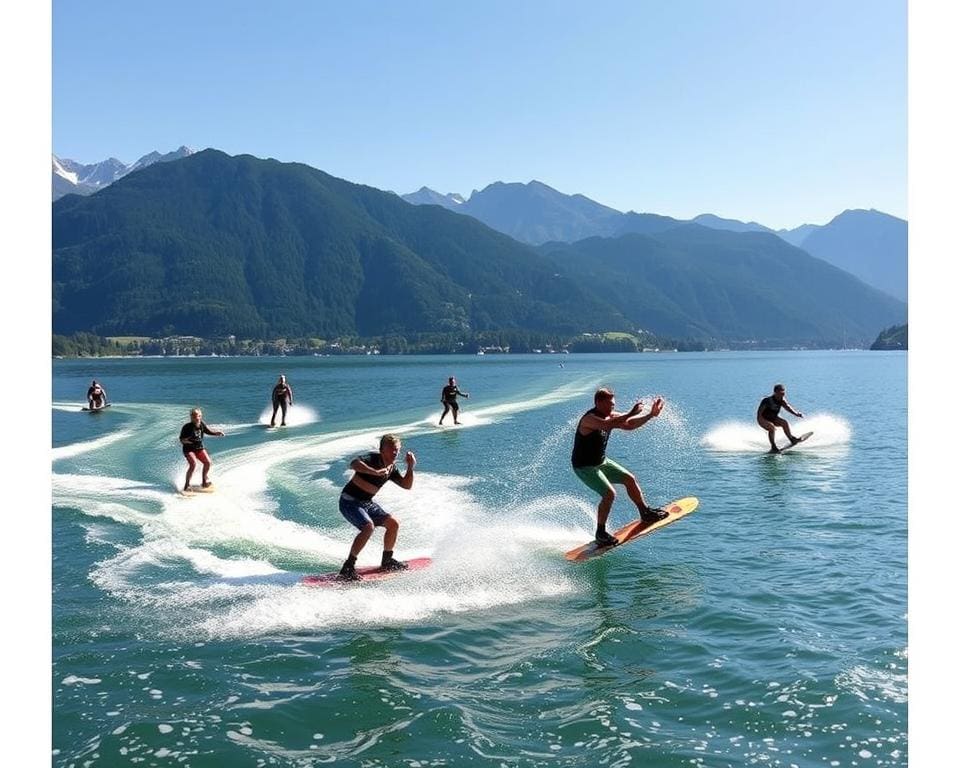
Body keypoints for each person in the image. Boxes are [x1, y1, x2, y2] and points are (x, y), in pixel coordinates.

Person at [571, 388, 668, 547]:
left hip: (601, 462)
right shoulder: (589, 419)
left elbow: (629, 425)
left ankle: (645, 512)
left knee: (629, 479)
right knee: (609, 494)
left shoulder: (612, 415)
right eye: (609, 405)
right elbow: (608, 424)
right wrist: (630, 413)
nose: (612, 408)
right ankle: (600, 533)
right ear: (598, 403)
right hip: (584, 467)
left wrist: (650, 415)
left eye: (613, 405)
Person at [337, 434, 416, 581]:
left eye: (397, 450)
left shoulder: (392, 469)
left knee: (393, 524)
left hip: (366, 502)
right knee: (368, 527)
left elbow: (406, 485)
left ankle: (387, 560)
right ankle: (348, 567)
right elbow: (353, 463)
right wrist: (375, 472)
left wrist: (410, 467)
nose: (395, 453)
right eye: (391, 449)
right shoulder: (373, 459)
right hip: (349, 501)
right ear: (382, 450)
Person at [178, 408, 225, 490]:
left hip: (199, 448)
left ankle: (204, 482)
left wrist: (217, 433)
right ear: (191, 417)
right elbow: (181, 439)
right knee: (193, 464)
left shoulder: (201, 424)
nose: (197, 418)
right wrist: (185, 441)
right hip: (189, 450)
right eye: (195, 416)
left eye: (199, 416)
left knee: (208, 462)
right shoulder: (187, 427)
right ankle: (187, 485)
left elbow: (208, 431)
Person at [757, 383, 805, 453]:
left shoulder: (782, 400)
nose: (783, 393)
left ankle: (791, 439)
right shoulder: (767, 401)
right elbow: (759, 413)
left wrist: (796, 414)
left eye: (783, 391)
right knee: (771, 428)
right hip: (762, 418)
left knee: (784, 423)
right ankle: (773, 446)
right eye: (781, 391)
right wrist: (762, 421)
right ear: (775, 392)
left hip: (773, 418)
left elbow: (788, 408)